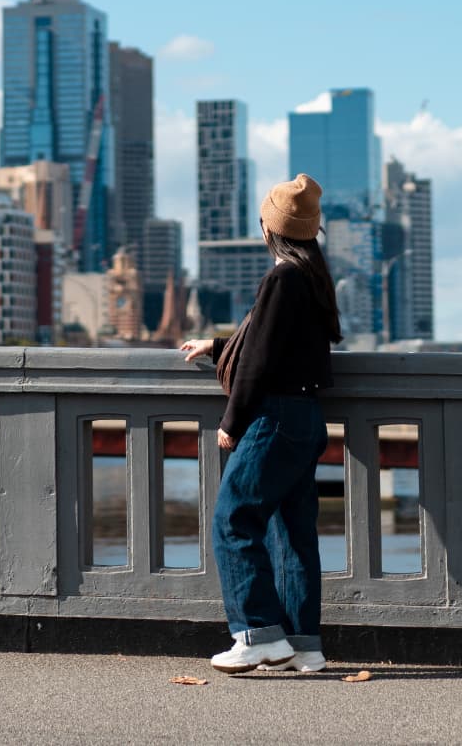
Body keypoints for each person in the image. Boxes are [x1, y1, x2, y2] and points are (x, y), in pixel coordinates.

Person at [179, 173, 343, 675]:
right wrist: (219, 346)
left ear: (268, 228)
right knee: (293, 532)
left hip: (274, 417)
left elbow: (263, 360)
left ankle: (256, 634)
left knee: (234, 520)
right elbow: (283, 346)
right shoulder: (312, 277)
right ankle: (303, 644)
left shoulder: (281, 278)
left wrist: (233, 420)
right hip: (306, 417)